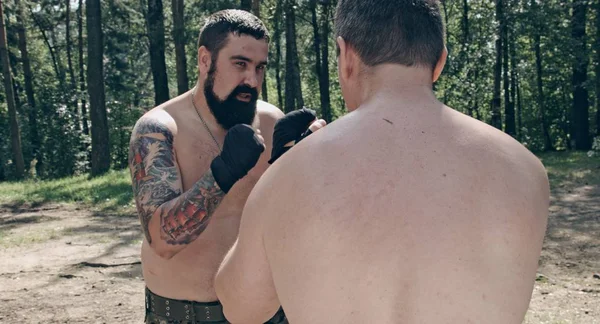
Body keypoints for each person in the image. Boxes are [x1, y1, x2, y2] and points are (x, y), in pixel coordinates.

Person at [214, 0, 551, 323]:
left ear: (347, 56)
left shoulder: (288, 176)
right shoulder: (524, 171)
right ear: (440, 62)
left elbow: (242, 309)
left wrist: (278, 179)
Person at [128, 9, 323, 324]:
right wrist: (223, 173)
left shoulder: (273, 122)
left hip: (265, 313)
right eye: (240, 64)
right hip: (183, 316)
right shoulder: (159, 129)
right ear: (205, 60)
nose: (252, 79)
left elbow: (295, 226)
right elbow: (162, 241)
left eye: (260, 67)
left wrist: (306, 166)